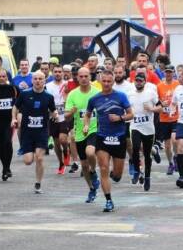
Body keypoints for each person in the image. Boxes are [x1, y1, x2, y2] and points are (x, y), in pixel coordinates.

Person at [82, 71, 133, 212]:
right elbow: (87, 115)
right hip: (102, 137)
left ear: (113, 82)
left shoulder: (121, 96)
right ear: (100, 81)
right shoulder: (94, 99)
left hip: (119, 138)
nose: (106, 84)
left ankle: (114, 175)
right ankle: (108, 200)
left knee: (117, 176)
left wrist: (120, 118)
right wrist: (86, 125)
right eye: (104, 81)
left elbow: (131, 114)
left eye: (109, 81)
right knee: (103, 168)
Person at [13, 71, 57, 195]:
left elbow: (53, 110)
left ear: (44, 81)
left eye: (40, 79)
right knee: (28, 161)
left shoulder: (48, 96)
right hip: (27, 132)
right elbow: (15, 107)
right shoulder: (25, 94)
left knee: (40, 157)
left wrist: (56, 116)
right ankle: (28, 152)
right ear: (32, 80)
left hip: (42, 131)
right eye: (35, 79)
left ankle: (38, 183)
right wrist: (13, 118)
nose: (38, 81)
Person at [64, 67, 101, 203]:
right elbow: (66, 116)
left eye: (86, 76)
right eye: (81, 76)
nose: (84, 79)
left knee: (90, 152)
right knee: (83, 165)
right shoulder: (73, 94)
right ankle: (91, 188)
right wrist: (72, 111)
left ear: (90, 77)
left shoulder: (97, 93)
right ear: (77, 78)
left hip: (93, 129)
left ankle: (93, 171)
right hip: (80, 132)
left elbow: (103, 110)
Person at [127, 70, 161, 191]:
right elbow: (125, 108)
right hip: (135, 126)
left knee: (147, 154)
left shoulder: (150, 93)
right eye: (137, 80)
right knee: (135, 148)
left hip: (148, 128)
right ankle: (136, 170)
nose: (138, 82)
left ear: (145, 82)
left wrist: (152, 109)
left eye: (141, 81)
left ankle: (147, 177)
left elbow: (160, 107)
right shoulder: (130, 93)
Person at [44, 66, 71, 174]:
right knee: (56, 142)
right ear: (52, 73)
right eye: (55, 72)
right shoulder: (48, 86)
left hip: (64, 115)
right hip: (53, 116)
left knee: (63, 139)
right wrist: (50, 112)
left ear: (63, 72)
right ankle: (61, 163)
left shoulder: (67, 84)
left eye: (60, 71)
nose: (58, 73)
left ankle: (66, 151)